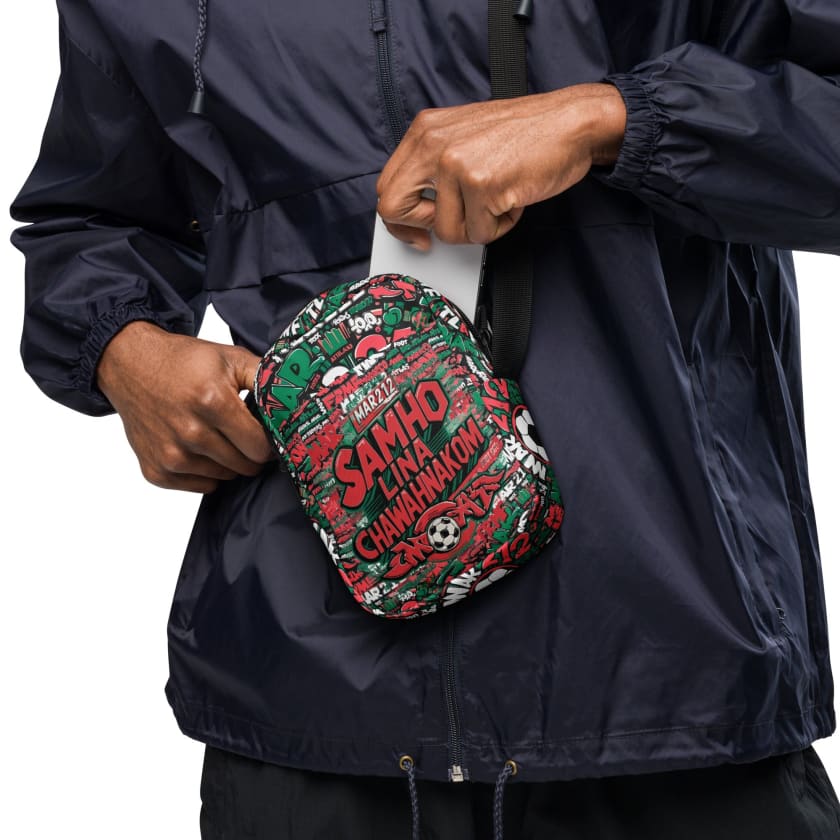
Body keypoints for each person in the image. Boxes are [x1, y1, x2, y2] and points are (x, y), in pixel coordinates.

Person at [10, 0, 840, 837]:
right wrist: (124, 350)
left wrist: (607, 119)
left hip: (675, 686)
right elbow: (92, 216)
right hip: (309, 711)